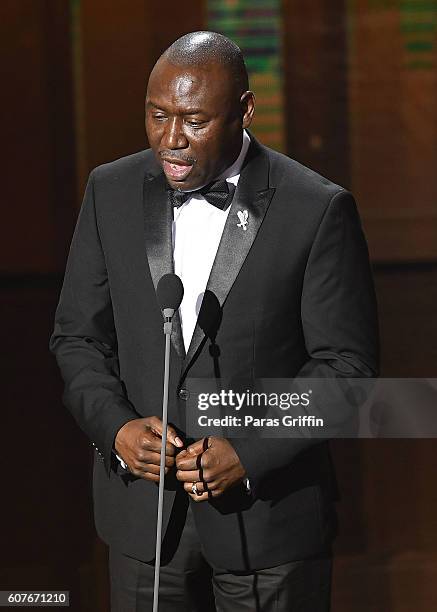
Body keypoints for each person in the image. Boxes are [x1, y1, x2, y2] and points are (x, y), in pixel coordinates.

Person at [49, 31, 379, 611]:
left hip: (270, 528)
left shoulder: (317, 208)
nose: (171, 140)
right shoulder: (110, 191)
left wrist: (250, 448)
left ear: (246, 111)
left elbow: (347, 369)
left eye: (195, 121)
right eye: (157, 116)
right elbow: (77, 337)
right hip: (143, 527)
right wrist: (118, 431)